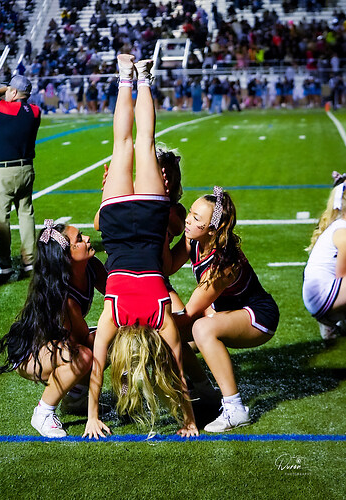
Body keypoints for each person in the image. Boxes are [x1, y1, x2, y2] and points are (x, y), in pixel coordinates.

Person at [83, 55, 198, 439]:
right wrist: (92, 415)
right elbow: (98, 366)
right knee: (125, 143)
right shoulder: (112, 315)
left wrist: (188, 420)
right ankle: (126, 75)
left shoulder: (160, 316)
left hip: (149, 218)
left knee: (141, 141)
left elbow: (177, 369)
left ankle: (142, 76)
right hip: (117, 220)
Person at [167, 188, 280, 432]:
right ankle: (205, 392)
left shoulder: (222, 264)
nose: (188, 220)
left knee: (200, 328)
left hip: (257, 317)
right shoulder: (193, 239)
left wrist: (150, 323)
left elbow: (189, 315)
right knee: (170, 324)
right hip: (222, 314)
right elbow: (167, 267)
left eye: (196, 218)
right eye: (191, 212)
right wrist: (160, 230)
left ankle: (235, 408)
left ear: (212, 229)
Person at [0, 220, 107, 438]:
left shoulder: (91, 265)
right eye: (79, 239)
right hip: (30, 353)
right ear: (66, 257)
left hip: (58, 343)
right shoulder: (64, 298)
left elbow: (115, 294)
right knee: (85, 354)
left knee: (102, 343)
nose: (87, 239)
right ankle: (43, 412)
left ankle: (75, 398)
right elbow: (84, 339)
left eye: (82, 234)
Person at [0, 75, 41, 277]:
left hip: (4, 172)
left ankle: (3, 261)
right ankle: (30, 261)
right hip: (26, 170)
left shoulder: (4, 108)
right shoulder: (35, 111)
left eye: (9, 90)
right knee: (26, 214)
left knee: (0, 218)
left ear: (14, 92)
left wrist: (2, 90)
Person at [303, 171, 346, 340]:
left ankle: (335, 323)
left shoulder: (338, 225)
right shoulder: (342, 232)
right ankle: (336, 320)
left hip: (318, 298)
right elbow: (342, 276)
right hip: (324, 298)